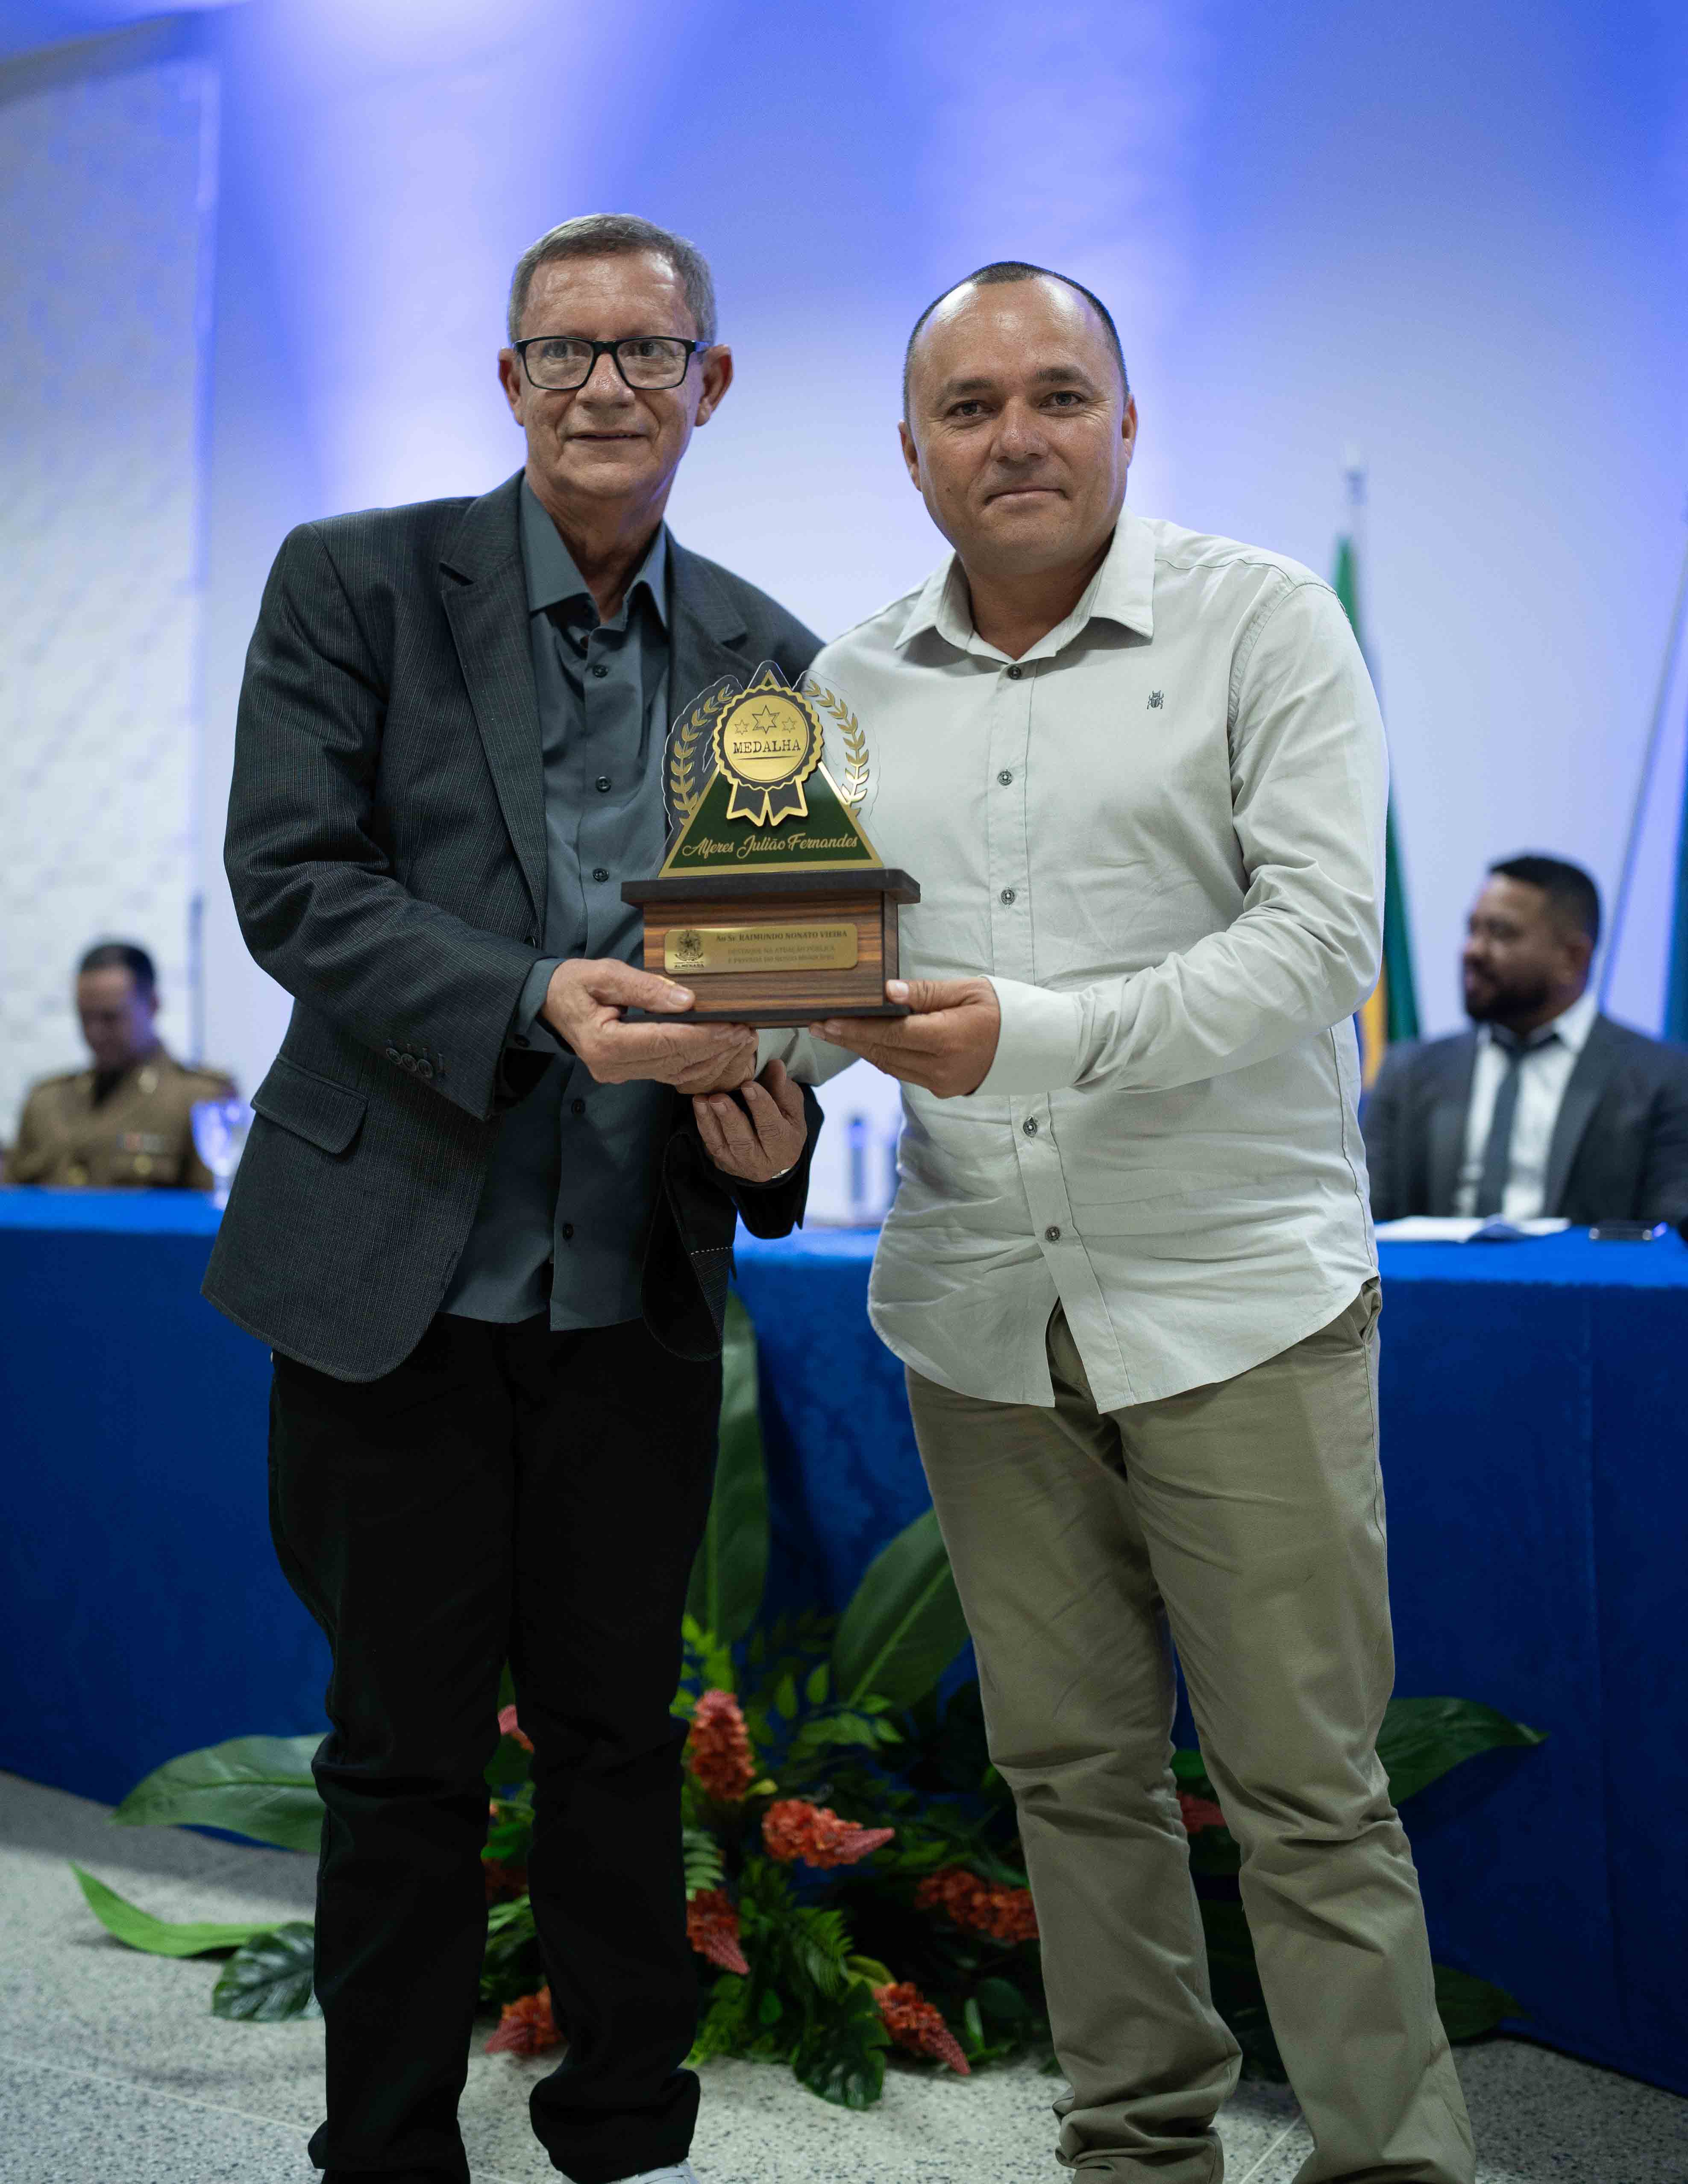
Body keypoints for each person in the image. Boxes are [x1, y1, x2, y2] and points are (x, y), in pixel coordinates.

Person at [772, 262, 1476, 2181]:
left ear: (1127, 421)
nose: (1015, 436)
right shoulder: (837, 691)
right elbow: (823, 987)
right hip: (981, 1315)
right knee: (1068, 1778)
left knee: (1304, 1790)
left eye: (1056, 395)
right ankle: (1136, 2148)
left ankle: (1391, 2160)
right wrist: (727, 1054)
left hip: (1235, 1300)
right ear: (910, 450)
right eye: (970, 405)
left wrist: (1037, 1035)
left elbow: (1317, 942)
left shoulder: (1265, 624)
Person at [204, 214, 822, 2184]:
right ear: (509, 379)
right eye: (564, 351)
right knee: (398, 1757)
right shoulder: (358, 583)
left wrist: (774, 1133)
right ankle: (386, 2151)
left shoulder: (774, 663)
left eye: (646, 352)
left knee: (621, 1743)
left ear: (711, 382)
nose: (604, 387)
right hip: (394, 1278)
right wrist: (532, 993)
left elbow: (780, 990)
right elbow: (294, 878)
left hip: (629, 1297)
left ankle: (622, 2131)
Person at [1365, 853, 1688, 1227]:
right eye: (1472, 929)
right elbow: (1365, 1223)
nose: (1473, 950)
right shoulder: (1407, 1073)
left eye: (1501, 933)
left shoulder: (1664, 1079)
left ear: (1572, 957)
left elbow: (1671, 1237)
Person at [5, 941, 233, 1188]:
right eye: (86, 1017)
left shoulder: (200, 1100)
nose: (95, 1032)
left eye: (111, 1017)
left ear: (153, 1005)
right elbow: (14, 1202)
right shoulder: (46, 1103)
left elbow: (217, 1205)